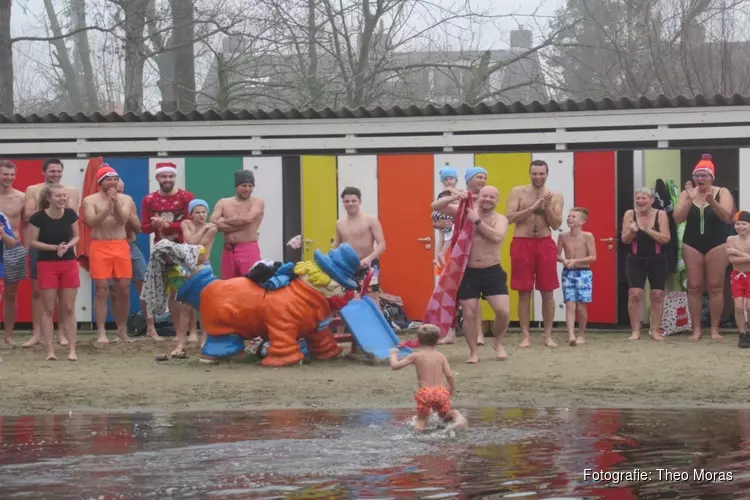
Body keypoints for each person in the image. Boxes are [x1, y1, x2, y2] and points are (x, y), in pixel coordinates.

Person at [437, 186, 510, 363]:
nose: (488, 199)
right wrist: (454, 196)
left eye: (492, 197)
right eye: (485, 196)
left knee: (503, 311)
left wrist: (477, 221)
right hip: (467, 271)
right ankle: (473, 352)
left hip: (492, 270)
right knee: (469, 313)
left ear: (497, 200)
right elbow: (436, 206)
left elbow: (497, 237)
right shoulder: (464, 212)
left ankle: (498, 343)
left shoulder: (501, 219)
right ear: (479, 197)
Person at [673, 154, 734, 341]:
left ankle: (715, 329)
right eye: (697, 176)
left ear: (711, 177)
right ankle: (696, 329)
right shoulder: (686, 194)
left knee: (715, 286)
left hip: (717, 243)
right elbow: (677, 219)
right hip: (692, 244)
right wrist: (690, 199)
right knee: (694, 287)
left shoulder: (722, 192)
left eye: (704, 176)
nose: (700, 179)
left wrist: (711, 201)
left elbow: (726, 217)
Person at [21, 158, 80, 348]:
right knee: (38, 292)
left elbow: (72, 216)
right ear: (43, 172)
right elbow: (28, 215)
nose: (55, 174)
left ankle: (61, 332)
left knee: (65, 295)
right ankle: (37, 332)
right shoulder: (32, 189)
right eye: (51, 171)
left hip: (64, 246)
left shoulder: (71, 191)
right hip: (41, 245)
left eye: (58, 171)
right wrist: (49, 205)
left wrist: (57, 204)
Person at [506, 159, 564, 348]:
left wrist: (546, 207)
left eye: (541, 174)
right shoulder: (518, 192)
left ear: (547, 174)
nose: (538, 177)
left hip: (545, 242)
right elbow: (509, 218)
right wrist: (531, 208)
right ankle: (525, 336)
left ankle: (548, 335)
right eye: (534, 173)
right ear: (529, 173)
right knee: (524, 292)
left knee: (548, 291)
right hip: (522, 242)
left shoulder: (555, 195)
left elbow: (556, 225)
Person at [141, 162, 195, 357]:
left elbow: (191, 222)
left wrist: (169, 224)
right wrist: (156, 224)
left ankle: (193, 331)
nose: (167, 180)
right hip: (162, 252)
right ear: (157, 178)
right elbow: (144, 228)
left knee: (187, 289)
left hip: (183, 250)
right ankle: (177, 330)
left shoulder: (186, 197)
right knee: (172, 292)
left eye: (170, 177)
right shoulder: (149, 199)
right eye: (163, 177)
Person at [431, 166, 488, 345]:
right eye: (479, 177)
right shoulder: (461, 199)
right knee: (451, 293)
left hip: (475, 253)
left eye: (484, 177)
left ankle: (479, 333)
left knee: (474, 296)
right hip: (455, 251)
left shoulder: (485, 199)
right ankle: (450, 332)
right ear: (469, 179)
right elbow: (436, 209)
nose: (482, 180)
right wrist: (456, 195)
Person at [83, 165, 138, 344]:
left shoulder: (126, 199)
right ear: (101, 181)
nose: (112, 182)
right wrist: (107, 208)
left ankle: (122, 330)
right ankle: (101, 332)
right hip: (100, 245)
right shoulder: (90, 200)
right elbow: (91, 222)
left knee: (123, 289)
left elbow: (123, 220)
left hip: (120, 245)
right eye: (108, 179)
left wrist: (115, 203)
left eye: (115, 179)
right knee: (101, 290)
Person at [107, 180, 160, 341]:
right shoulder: (99, 203)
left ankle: (151, 327)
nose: (119, 192)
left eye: (122, 189)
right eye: (117, 190)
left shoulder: (128, 202)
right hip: (109, 247)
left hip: (130, 246)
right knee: (115, 290)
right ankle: (120, 330)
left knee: (144, 284)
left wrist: (126, 216)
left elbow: (139, 227)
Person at [389, 324, 468, 431]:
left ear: (418, 340)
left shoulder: (416, 356)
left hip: (425, 393)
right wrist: (453, 389)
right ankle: (458, 420)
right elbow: (449, 375)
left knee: (421, 420)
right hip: (441, 392)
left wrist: (393, 354)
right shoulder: (441, 356)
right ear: (437, 340)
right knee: (445, 415)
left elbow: (395, 366)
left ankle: (418, 435)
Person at [621, 187, 671, 341]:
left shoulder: (660, 214)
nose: (640, 201)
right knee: (635, 294)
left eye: (644, 198)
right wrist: (632, 232)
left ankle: (655, 330)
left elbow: (665, 238)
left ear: (652, 200)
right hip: (635, 260)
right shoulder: (630, 214)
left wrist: (647, 230)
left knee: (657, 295)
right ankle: (635, 331)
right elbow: (624, 240)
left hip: (657, 259)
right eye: (638, 198)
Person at [332, 187, 386, 304]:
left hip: (368, 266)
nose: (350, 204)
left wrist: (368, 259)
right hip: (348, 267)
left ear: (359, 202)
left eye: (353, 201)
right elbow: (336, 245)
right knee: (347, 299)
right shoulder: (339, 223)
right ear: (343, 203)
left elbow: (382, 245)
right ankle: (351, 322)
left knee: (371, 298)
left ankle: (375, 322)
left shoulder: (370, 220)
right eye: (346, 201)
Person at [211, 170, 264, 279]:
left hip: (248, 249)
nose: (247, 189)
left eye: (250, 186)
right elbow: (213, 222)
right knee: (228, 284)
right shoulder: (224, 202)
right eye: (244, 185)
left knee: (250, 282)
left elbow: (248, 218)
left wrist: (224, 220)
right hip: (228, 250)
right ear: (236, 186)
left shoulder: (257, 202)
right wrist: (240, 224)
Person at [557, 207, 596, 346]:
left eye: (573, 217)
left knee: (581, 306)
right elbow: (556, 254)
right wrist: (564, 260)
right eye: (568, 216)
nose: (569, 218)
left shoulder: (588, 236)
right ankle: (571, 335)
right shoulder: (563, 236)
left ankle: (581, 334)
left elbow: (593, 257)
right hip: (568, 273)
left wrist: (575, 261)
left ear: (582, 222)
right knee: (569, 304)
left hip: (584, 273)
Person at [181, 199, 218, 346]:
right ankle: (184, 338)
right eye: (197, 212)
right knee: (185, 305)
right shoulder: (186, 223)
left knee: (204, 304)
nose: (202, 215)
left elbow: (197, 246)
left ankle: (204, 338)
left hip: (203, 266)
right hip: (187, 267)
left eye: (204, 212)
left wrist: (203, 229)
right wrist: (203, 229)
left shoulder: (212, 228)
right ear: (191, 214)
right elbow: (190, 243)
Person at [0, 160, 26, 346]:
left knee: (11, 292)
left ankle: (8, 335)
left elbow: (29, 223)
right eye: (5, 174)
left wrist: (29, 247)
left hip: (13, 248)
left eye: (11, 175)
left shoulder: (21, 197)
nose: (8, 178)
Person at [726, 211, 750, 348]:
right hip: (737, 275)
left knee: (749, 306)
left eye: (744, 224)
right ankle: (742, 333)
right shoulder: (731, 239)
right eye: (738, 224)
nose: (740, 227)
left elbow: (735, 255)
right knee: (739, 306)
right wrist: (746, 257)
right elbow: (731, 259)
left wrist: (737, 252)